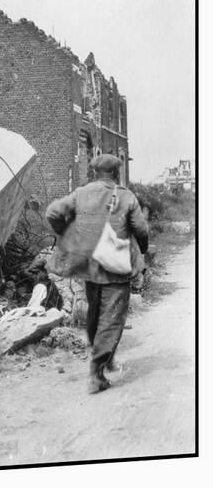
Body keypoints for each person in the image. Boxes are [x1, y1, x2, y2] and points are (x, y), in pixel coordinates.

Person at [45, 154, 149, 393]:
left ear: (93, 172)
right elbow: (141, 229)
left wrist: (67, 233)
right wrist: (142, 250)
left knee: (94, 311)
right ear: (115, 173)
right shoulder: (125, 196)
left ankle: (105, 357)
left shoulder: (80, 194)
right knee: (113, 317)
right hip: (115, 264)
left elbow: (53, 213)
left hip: (89, 264)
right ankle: (97, 372)